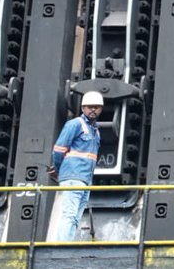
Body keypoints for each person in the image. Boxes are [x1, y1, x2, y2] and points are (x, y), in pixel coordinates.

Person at [50, 90, 103, 241]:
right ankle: (62, 248)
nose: (93, 110)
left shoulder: (95, 131)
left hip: (86, 180)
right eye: (89, 106)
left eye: (97, 107)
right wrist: (60, 172)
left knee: (75, 217)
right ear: (82, 108)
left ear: (101, 109)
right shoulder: (74, 124)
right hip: (73, 177)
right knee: (70, 214)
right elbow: (58, 150)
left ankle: (67, 245)